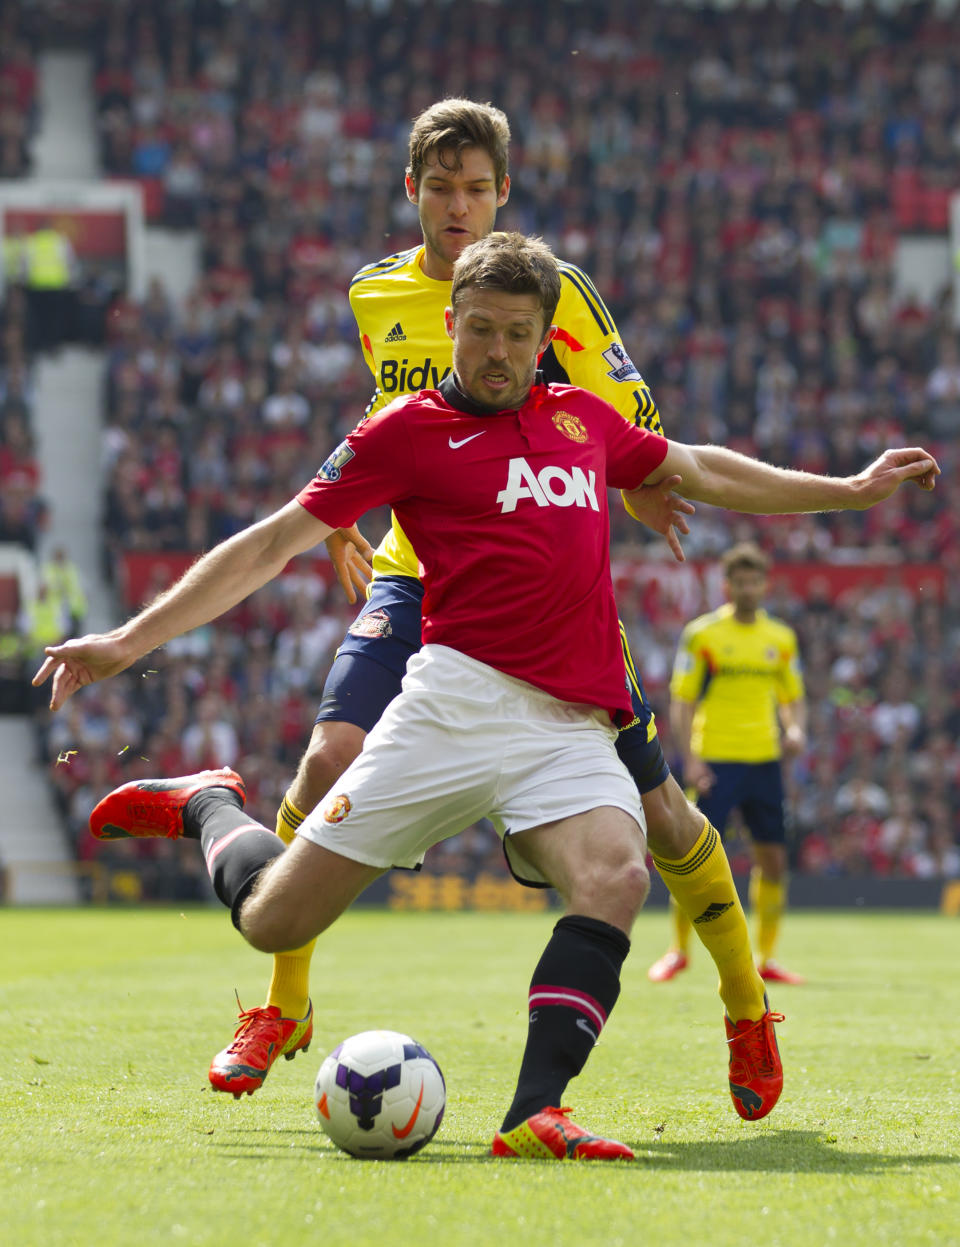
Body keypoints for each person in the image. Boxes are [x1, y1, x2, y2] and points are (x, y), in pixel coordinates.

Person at [35, 233, 939, 1158]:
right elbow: (271, 543)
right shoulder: (405, 433)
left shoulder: (585, 420)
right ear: (452, 323)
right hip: (451, 707)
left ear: (545, 335)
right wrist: (124, 639)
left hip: (570, 720)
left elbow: (699, 467)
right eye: (479, 330)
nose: (497, 351)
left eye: (516, 333)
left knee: (618, 873)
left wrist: (848, 490)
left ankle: (534, 1112)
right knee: (274, 918)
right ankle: (212, 805)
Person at [210, 97, 777, 1104]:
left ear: (504, 191)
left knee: (665, 817)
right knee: (328, 754)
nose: (459, 203)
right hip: (416, 565)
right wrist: (339, 503)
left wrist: (639, 477)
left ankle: (742, 998)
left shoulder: (552, 291)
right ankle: (282, 997)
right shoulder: (374, 292)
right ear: (412, 191)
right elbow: (396, 407)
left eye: (477, 187)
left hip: (538, 588)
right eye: (442, 186)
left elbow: (622, 414)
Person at [649, 543, 808, 986]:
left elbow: (793, 698)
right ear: (727, 586)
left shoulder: (780, 638)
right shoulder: (703, 635)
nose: (747, 588)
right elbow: (683, 701)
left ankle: (768, 958)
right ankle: (678, 951)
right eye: (739, 582)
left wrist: (794, 729)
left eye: (754, 581)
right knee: (691, 857)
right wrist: (692, 758)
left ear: (765, 585)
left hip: (764, 761)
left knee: (773, 860)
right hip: (716, 760)